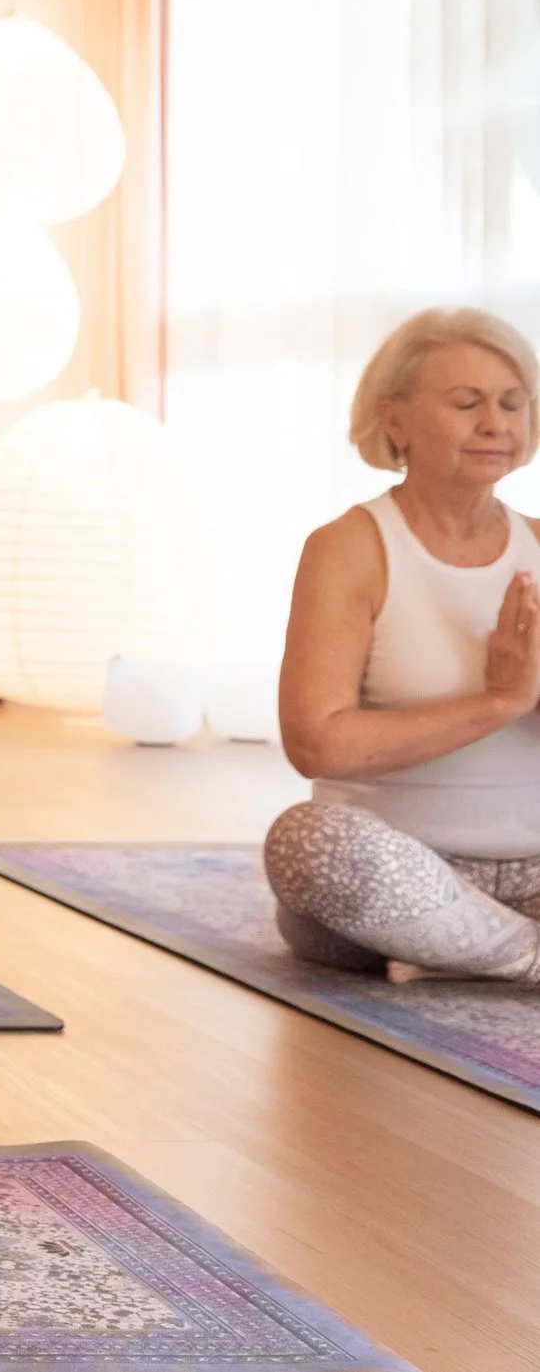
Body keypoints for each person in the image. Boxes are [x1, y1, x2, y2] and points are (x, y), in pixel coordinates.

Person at [269, 307, 540, 984]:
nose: (496, 424)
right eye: (467, 402)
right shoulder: (349, 549)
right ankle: (521, 954)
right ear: (396, 421)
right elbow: (317, 743)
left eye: (513, 403)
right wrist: (500, 698)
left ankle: (474, 949)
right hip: (394, 868)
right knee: (305, 843)